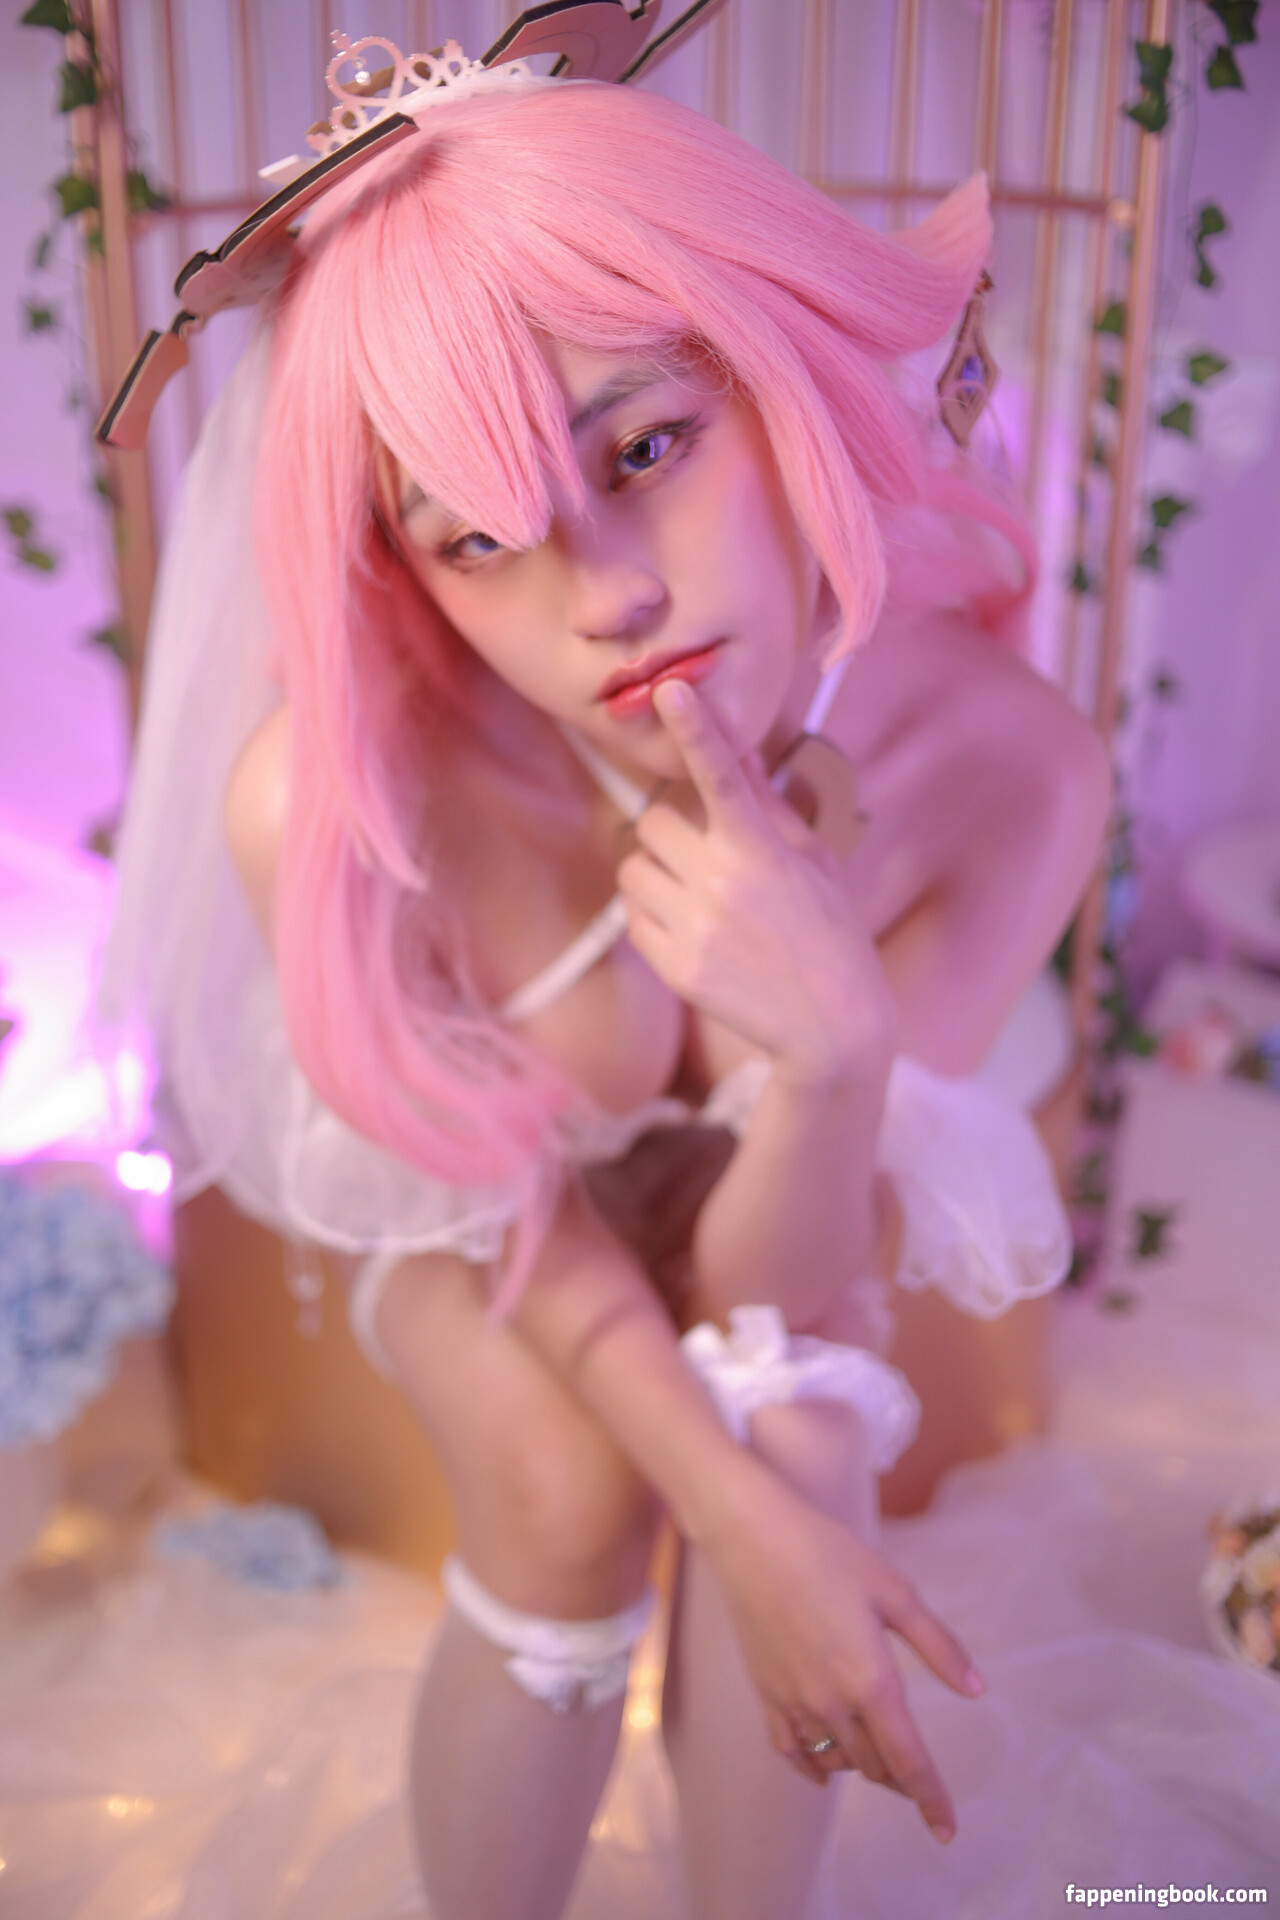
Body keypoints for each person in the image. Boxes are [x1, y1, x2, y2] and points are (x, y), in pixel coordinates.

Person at [101, 47, 1109, 1920]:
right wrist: (733, 1522)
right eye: (478, 538)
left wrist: (833, 1051)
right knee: (573, 1491)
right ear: (406, 571)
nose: (605, 596)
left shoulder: (1010, 764)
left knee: (808, 1422)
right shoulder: (352, 796)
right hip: (492, 1223)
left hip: (782, 1221)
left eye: (645, 449)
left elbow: (786, 1286)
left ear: (777, 368)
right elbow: (496, 1211)